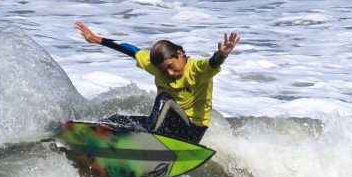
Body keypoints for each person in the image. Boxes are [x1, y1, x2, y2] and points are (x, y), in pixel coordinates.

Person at [75, 20, 240, 144]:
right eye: (164, 70)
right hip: (165, 127)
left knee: (164, 99)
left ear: (180, 54)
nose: (169, 73)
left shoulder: (197, 69)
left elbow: (213, 62)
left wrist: (222, 54)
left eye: (171, 66)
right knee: (115, 120)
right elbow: (132, 50)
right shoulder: (157, 65)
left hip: (191, 131)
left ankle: (146, 140)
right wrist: (97, 39)